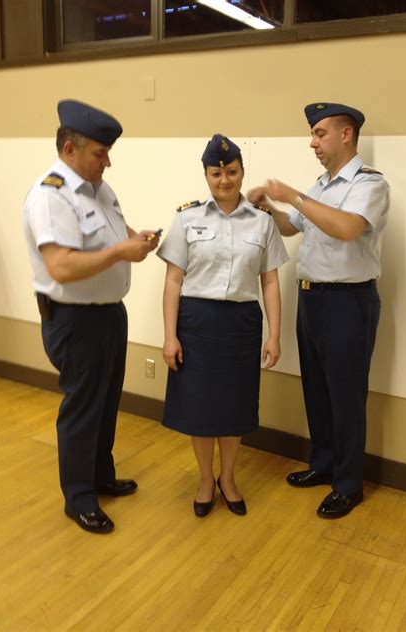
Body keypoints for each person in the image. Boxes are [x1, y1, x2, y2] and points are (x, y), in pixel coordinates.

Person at [23, 99, 160, 534]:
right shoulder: (50, 195)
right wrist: (122, 251)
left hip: (107, 314)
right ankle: (78, 497)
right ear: (69, 149)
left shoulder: (100, 190)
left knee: (106, 402)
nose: (108, 161)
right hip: (74, 319)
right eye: (100, 153)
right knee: (83, 407)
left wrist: (134, 239)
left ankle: (101, 475)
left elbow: (113, 236)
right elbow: (61, 265)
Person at [248, 103, 389, 519]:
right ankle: (323, 464)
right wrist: (267, 209)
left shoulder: (369, 184)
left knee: (346, 396)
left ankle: (348, 484)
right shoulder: (321, 185)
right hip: (311, 299)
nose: (313, 142)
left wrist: (291, 194)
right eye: (312, 134)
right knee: (318, 391)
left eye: (320, 133)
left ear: (347, 135)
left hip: (348, 302)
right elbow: (294, 225)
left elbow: (346, 228)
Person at [157, 134, 289, 517]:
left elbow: (269, 281)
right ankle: (204, 479)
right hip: (196, 323)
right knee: (199, 409)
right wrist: (170, 336)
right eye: (216, 173)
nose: (225, 180)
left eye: (232, 172)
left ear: (242, 172)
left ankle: (228, 478)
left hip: (241, 324)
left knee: (234, 409)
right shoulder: (187, 218)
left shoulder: (263, 223)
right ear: (206, 175)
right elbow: (173, 281)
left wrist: (274, 334)